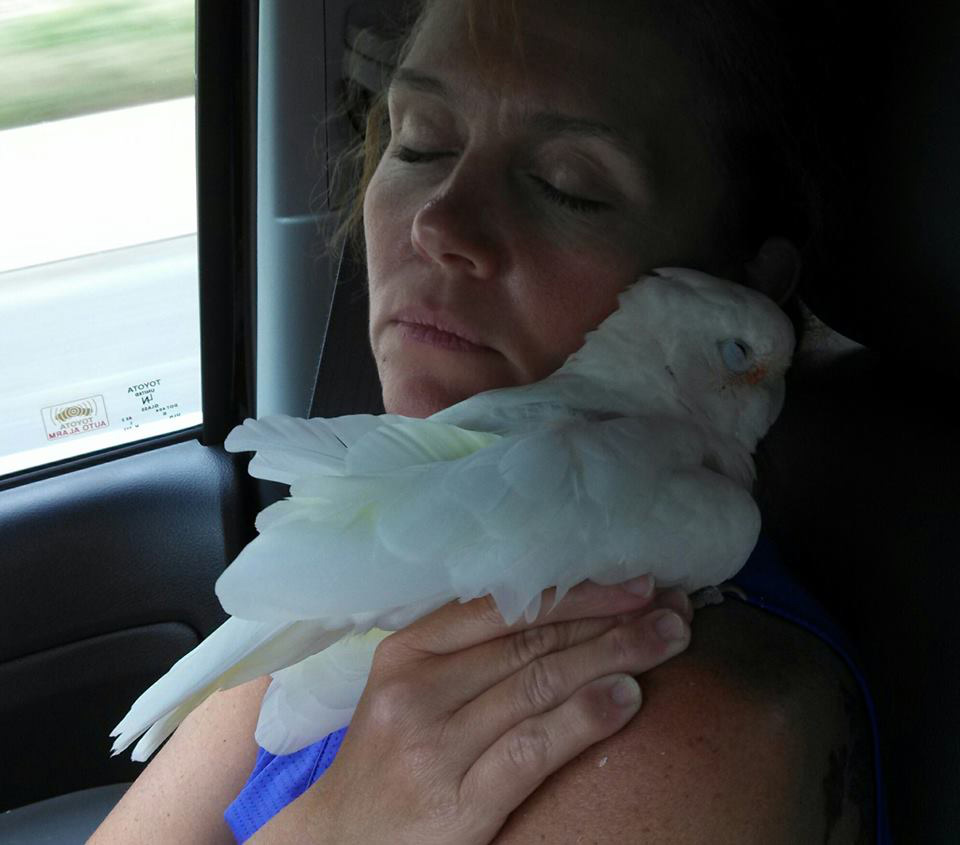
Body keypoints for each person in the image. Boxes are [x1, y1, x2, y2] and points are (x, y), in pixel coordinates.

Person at [91, 0, 884, 842]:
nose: (440, 223)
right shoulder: (371, 548)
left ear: (738, 279)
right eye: (420, 142)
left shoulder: (669, 724)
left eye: (568, 186)